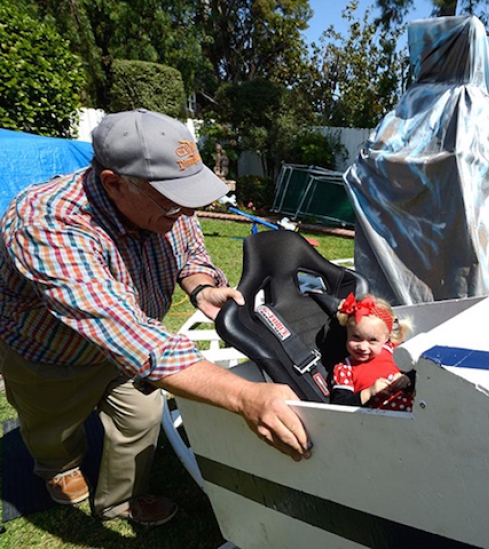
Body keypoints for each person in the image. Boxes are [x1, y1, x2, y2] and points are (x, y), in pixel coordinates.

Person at [0, 109, 310, 527]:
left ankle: (120, 501)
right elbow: (122, 331)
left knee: (142, 418)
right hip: (52, 352)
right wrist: (244, 397)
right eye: (174, 204)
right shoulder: (45, 221)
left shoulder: (169, 201)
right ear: (114, 183)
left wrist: (201, 286)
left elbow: (191, 253)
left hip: (136, 344)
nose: (186, 212)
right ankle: (59, 466)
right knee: (52, 427)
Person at [330, 293, 415, 411]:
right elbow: (339, 406)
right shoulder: (345, 369)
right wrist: (369, 392)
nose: (363, 347)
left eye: (373, 340)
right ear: (347, 333)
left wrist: (408, 378)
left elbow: (423, 372)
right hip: (374, 421)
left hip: (415, 415)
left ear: (386, 338)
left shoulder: (395, 351)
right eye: (356, 337)